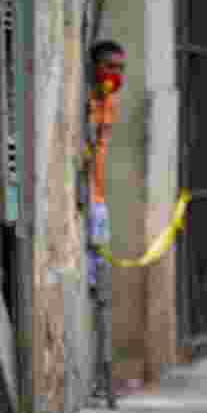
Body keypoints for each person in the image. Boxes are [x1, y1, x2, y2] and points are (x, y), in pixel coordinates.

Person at [85, 39, 126, 290]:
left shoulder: (111, 103)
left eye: (121, 68)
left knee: (100, 266)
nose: (116, 74)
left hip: (97, 197)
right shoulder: (84, 100)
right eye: (109, 66)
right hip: (84, 195)